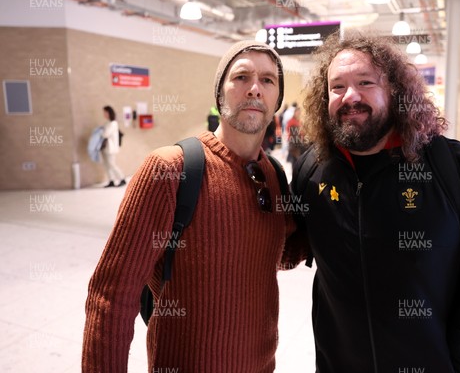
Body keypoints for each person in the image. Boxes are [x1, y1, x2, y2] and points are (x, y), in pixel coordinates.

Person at [291, 31, 460, 373]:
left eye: (365, 82)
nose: (351, 96)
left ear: (394, 91)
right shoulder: (312, 170)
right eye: (337, 87)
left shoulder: (452, 169)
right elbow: (287, 242)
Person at [83, 41, 305, 372]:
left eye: (268, 80)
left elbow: (277, 256)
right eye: (241, 77)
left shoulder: (272, 175)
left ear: (276, 101)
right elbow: (111, 298)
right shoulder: (170, 169)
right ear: (219, 95)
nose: (255, 89)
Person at [100, 105, 126, 187]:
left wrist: (100, 132)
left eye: (105, 112)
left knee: (112, 164)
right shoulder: (107, 123)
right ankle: (111, 180)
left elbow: (105, 134)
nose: (104, 114)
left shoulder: (113, 123)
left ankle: (122, 178)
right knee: (107, 165)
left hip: (111, 148)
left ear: (109, 113)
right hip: (106, 148)